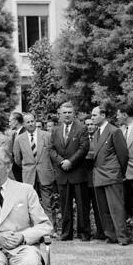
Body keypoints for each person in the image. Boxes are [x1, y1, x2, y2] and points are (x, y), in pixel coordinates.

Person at [51, 102, 92, 240]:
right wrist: (61, 161)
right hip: (62, 173)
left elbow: (84, 148)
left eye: (70, 112)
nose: (67, 115)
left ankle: (84, 233)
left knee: (82, 206)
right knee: (65, 207)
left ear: (74, 114)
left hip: (78, 173)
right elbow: (50, 149)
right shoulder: (55, 130)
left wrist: (70, 162)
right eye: (64, 112)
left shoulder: (82, 128)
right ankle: (66, 234)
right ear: (60, 115)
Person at [89, 103, 129, 244]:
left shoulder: (114, 131)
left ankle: (122, 237)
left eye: (94, 115)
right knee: (103, 209)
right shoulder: (96, 133)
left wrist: (119, 172)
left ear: (103, 115)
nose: (92, 118)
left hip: (112, 175)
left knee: (116, 208)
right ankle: (111, 236)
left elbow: (123, 155)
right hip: (99, 175)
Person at [12, 113, 56, 225]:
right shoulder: (19, 139)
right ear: (24, 124)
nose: (31, 124)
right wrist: (27, 167)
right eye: (28, 122)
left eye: (32, 121)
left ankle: (50, 229)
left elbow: (52, 154)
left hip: (45, 173)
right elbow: (17, 159)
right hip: (29, 175)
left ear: (35, 121)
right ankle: (32, 228)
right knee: (30, 204)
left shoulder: (46, 136)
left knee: (48, 203)